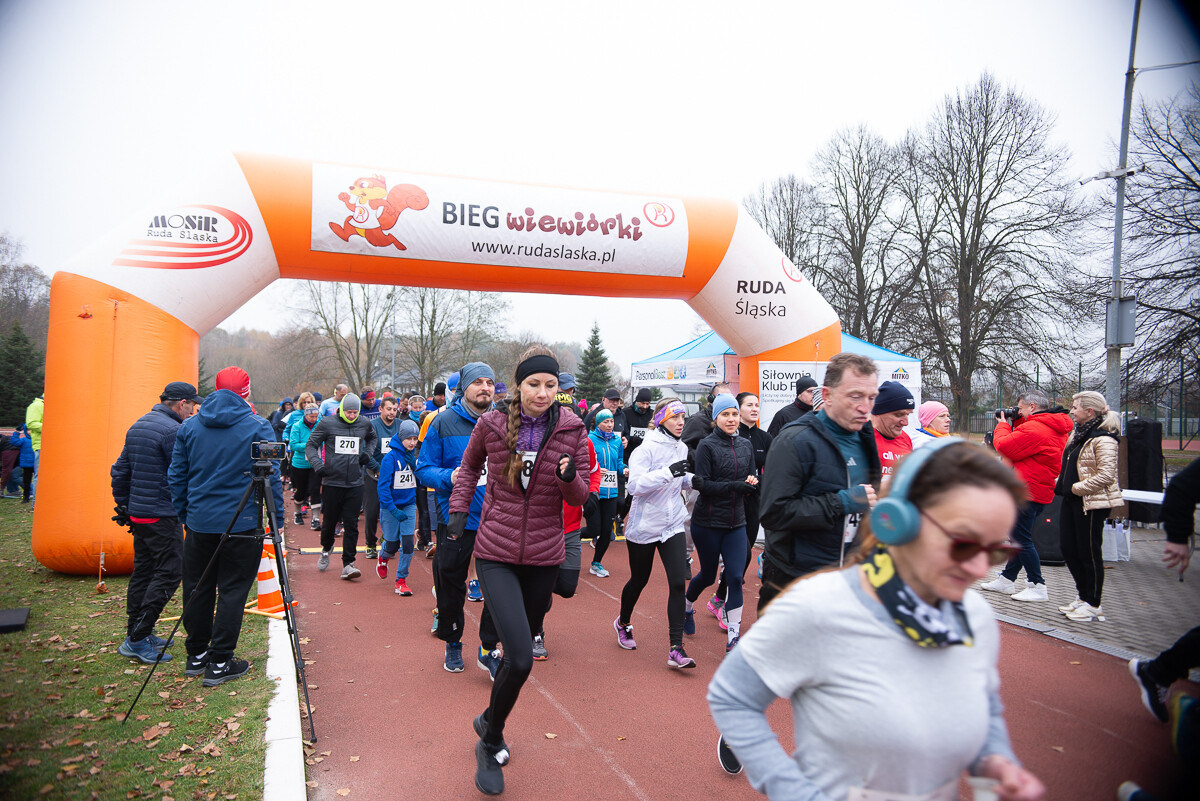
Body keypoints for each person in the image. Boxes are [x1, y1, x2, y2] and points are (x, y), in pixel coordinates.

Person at [709, 439, 1045, 800]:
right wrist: (792, 791)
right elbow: (733, 697)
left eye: (996, 550)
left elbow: (985, 702)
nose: (979, 568)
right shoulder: (820, 607)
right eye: (963, 543)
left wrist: (995, 761)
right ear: (899, 521)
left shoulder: (975, 617)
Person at [447, 346, 590, 796]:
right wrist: (456, 512)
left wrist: (568, 476)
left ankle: (489, 718)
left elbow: (580, 498)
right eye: (534, 384)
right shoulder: (491, 424)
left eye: (550, 385)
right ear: (519, 385)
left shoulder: (573, 431)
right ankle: (490, 742)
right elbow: (467, 469)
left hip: (545, 555)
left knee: (517, 657)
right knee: (522, 657)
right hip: (496, 550)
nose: (543, 393)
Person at [168, 367, 284, 687]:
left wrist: (185, 514)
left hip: (200, 521)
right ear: (246, 393)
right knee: (232, 590)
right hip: (242, 524)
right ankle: (219, 661)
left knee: (197, 586)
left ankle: (197, 655)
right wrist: (279, 521)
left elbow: (177, 476)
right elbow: (270, 476)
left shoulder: (190, 425)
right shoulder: (258, 426)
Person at [758, 353, 882, 610]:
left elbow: (866, 503)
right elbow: (773, 513)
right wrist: (842, 502)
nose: (865, 407)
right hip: (797, 583)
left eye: (871, 398)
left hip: (849, 582)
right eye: (855, 396)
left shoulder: (866, 437)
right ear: (827, 395)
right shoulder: (794, 440)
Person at [415, 363, 501, 674]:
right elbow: (423, 469)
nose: (485, 387)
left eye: (489, 382)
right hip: (455, 517)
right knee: (450, 583)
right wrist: (449, 476)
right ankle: (452, 642)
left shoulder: (504, 422)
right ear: (463, 387)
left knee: (498, 587)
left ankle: (488, 647)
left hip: (496, 518)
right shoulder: (442, 422)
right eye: (478, 381)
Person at [110, 381, 202, 664]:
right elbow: (184, 473)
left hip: (140, 512)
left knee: (145, 572)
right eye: (192, 405)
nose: (193, 410)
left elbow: (119, 470)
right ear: (181, 404)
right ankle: (138, 636)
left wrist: (124, 505)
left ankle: (136, 634)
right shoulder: (172, 430)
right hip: (161, 514)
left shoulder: (140, 423)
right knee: (170, 572)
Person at [615, 398, 695, 667]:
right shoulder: (645, 449)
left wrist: (696, 480)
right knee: (639, 579)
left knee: (676, 583)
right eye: (674, 417)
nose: (681, 422)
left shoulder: (682, 447)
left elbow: (681, 479)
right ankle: (623, 622)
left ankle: (676, 648)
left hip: (672, 524)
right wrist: (668, 472)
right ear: (661, 419)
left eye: (683, 416)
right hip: (645, 525)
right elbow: (635, 486)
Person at [980, 390, 1072, 603]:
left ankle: (1037, 585)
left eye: (1020, 408)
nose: (1017, 411)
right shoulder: (1051, 426)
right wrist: (1019, 420)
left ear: (1032, 406)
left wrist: (1003, 425)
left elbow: (1004, 446)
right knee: (1019, 536)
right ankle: (1007, 578)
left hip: (1027, 491)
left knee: (1020, 538)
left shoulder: (1036, 428)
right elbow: (1025, 444)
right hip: (1037, 489)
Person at [685, 393, 757, 651]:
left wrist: (752, 483)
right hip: (707, 522)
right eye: (725, 414)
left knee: (736, 577)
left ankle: (734, 637)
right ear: (716, 417)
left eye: (735, 414)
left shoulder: (746, 445)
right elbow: (702, 484)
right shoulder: (706, 445)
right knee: (706, 575)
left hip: (736, 522)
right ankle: (687, 607)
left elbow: (751, 475)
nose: (731, 419)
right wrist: (734, 486)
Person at [1051, 391, 1121, 621]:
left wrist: (1075, 488)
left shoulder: (1105, 438)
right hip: (1071, 501)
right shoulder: (1077, 435)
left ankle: (1094, 602)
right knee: (1069, 549)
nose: (1072, 411)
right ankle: (1082, 596)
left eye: (1075, 407)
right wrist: (1061, 483)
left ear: (1089, 411)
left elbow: (1106, 476)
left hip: (1090, 504)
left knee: (1088, 552)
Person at [710, 392, 773, 627]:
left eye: (757, 405)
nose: (754, 409)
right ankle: (724, 604)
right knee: (738, 558)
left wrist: (760, 485)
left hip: (753, 502)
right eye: (749, 405)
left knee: (743, 559)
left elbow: (771, 470)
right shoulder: (723, 439)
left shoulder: (765, 438)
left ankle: (719, 597)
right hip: (729, 505)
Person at [306, 392, 377, 580]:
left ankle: (348, 564)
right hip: (332, 481)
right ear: (341, 410)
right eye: (349, 412)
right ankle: (326, 547)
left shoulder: (364, 423)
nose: (352, 416)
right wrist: (318, 465)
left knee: (352, 524)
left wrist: (367, 455)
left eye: (355, 412)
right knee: (329, 523)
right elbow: (311, 445)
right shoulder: (327, 423)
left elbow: (373, 439)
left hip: (355, 482)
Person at [376, 418, 421, 595]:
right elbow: (382, 487)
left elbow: (419, 480)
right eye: (408, 438)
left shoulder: (414, 456)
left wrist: (416, 466)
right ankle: (383, 557)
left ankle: (401, 580)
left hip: (409, 505)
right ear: (401, 438)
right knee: (392, 544)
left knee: (409, 544)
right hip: (390, 507)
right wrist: (392, 508)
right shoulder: (390, 458)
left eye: (415, 439)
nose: (412, 442)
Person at [585, 408, 626, 577]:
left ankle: (596, 563)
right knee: (593, 530)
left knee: (607, 531)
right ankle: (565, 537)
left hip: (611, 492)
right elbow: (581, 463)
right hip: (593, 491)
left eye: (611, 422)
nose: (610, 425)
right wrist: (593, 470)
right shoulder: (589, 440)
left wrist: (625, 470)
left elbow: (619, 462)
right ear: (598, 423)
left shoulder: (617, 441)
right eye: (606, 422)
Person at [363, 396, 404, 559]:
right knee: (372, 512)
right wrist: (379, 469)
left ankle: (388, 540)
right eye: (389, 409)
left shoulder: (402, 426)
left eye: (395, 409)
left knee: (395, 511)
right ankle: (371, 544)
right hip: (375, 475)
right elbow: (366, 452)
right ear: (380, 409)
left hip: (396, 477)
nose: (392, 412)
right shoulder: (372, 427)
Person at [871, 381, 914, 482]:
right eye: (899, 415)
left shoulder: (905, 438)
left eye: (908, 414)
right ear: (879, 412)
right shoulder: (860, 437)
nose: (905, 423)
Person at [288, 402, 322, 528]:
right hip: (300, 463)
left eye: (316, 416)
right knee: (301, 491)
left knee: (315, 490)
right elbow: (293, 445)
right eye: (311, 417)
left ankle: (315, 519)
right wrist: (309, 444)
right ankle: (297, 512)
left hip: (316, 463)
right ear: (305, 415)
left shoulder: (320, 425)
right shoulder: (297, 426)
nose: (314, 419)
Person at [25, 392, 43, 508]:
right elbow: (30, 423)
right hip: (41, 445)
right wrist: (53, 425)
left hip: (54, 445)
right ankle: (35, 504)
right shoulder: (36, 405)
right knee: (40, 475)